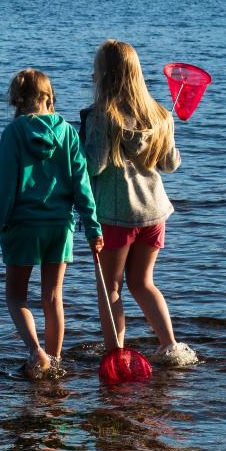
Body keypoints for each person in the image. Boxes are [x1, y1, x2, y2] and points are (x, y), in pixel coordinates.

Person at [82, 40, 198, 367]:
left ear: (104, 75)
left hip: (115, 215)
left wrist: (73, 153)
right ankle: (171, 346)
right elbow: (170, 164)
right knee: (143, 283)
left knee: (111, 289)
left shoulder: (103, 117)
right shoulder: (160, 114)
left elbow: (94, 165)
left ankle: (115, 354)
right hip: (153, 213)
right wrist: (166, 133)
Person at [0, 69, 103, 379]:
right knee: (53, 297)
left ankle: (37, 352)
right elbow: (82, 184)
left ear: (16, 102)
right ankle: (56, 359)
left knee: (16, 297)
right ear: (50, 98)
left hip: (22, 226)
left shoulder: (13, 134)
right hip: (59, 227)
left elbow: (3, 188)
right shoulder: (67, 132)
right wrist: (93, 227)